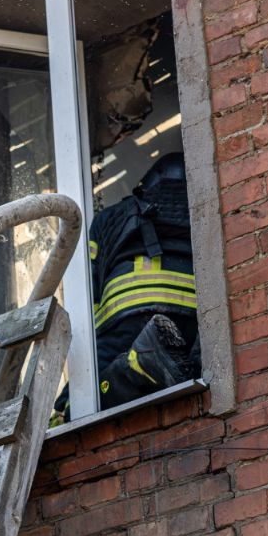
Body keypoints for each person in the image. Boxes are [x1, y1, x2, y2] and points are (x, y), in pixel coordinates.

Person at [53, 153, 198, 423]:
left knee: (84, 397)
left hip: (127, 313)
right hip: (194, 316)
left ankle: (133, 367)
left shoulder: (111, 217)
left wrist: (96, 336)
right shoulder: (203, 211)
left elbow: (89, 288)